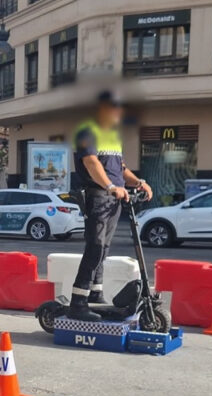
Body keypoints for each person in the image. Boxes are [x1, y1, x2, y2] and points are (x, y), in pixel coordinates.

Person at [67, 91, 152, 321]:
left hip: (114, 198)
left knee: (103, 248)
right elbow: (91, 162)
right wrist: (111, 186)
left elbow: (120, 168)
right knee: (94, 247)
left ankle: (95, 294)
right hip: (98, 195)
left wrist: (139, 182)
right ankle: (78, 302)